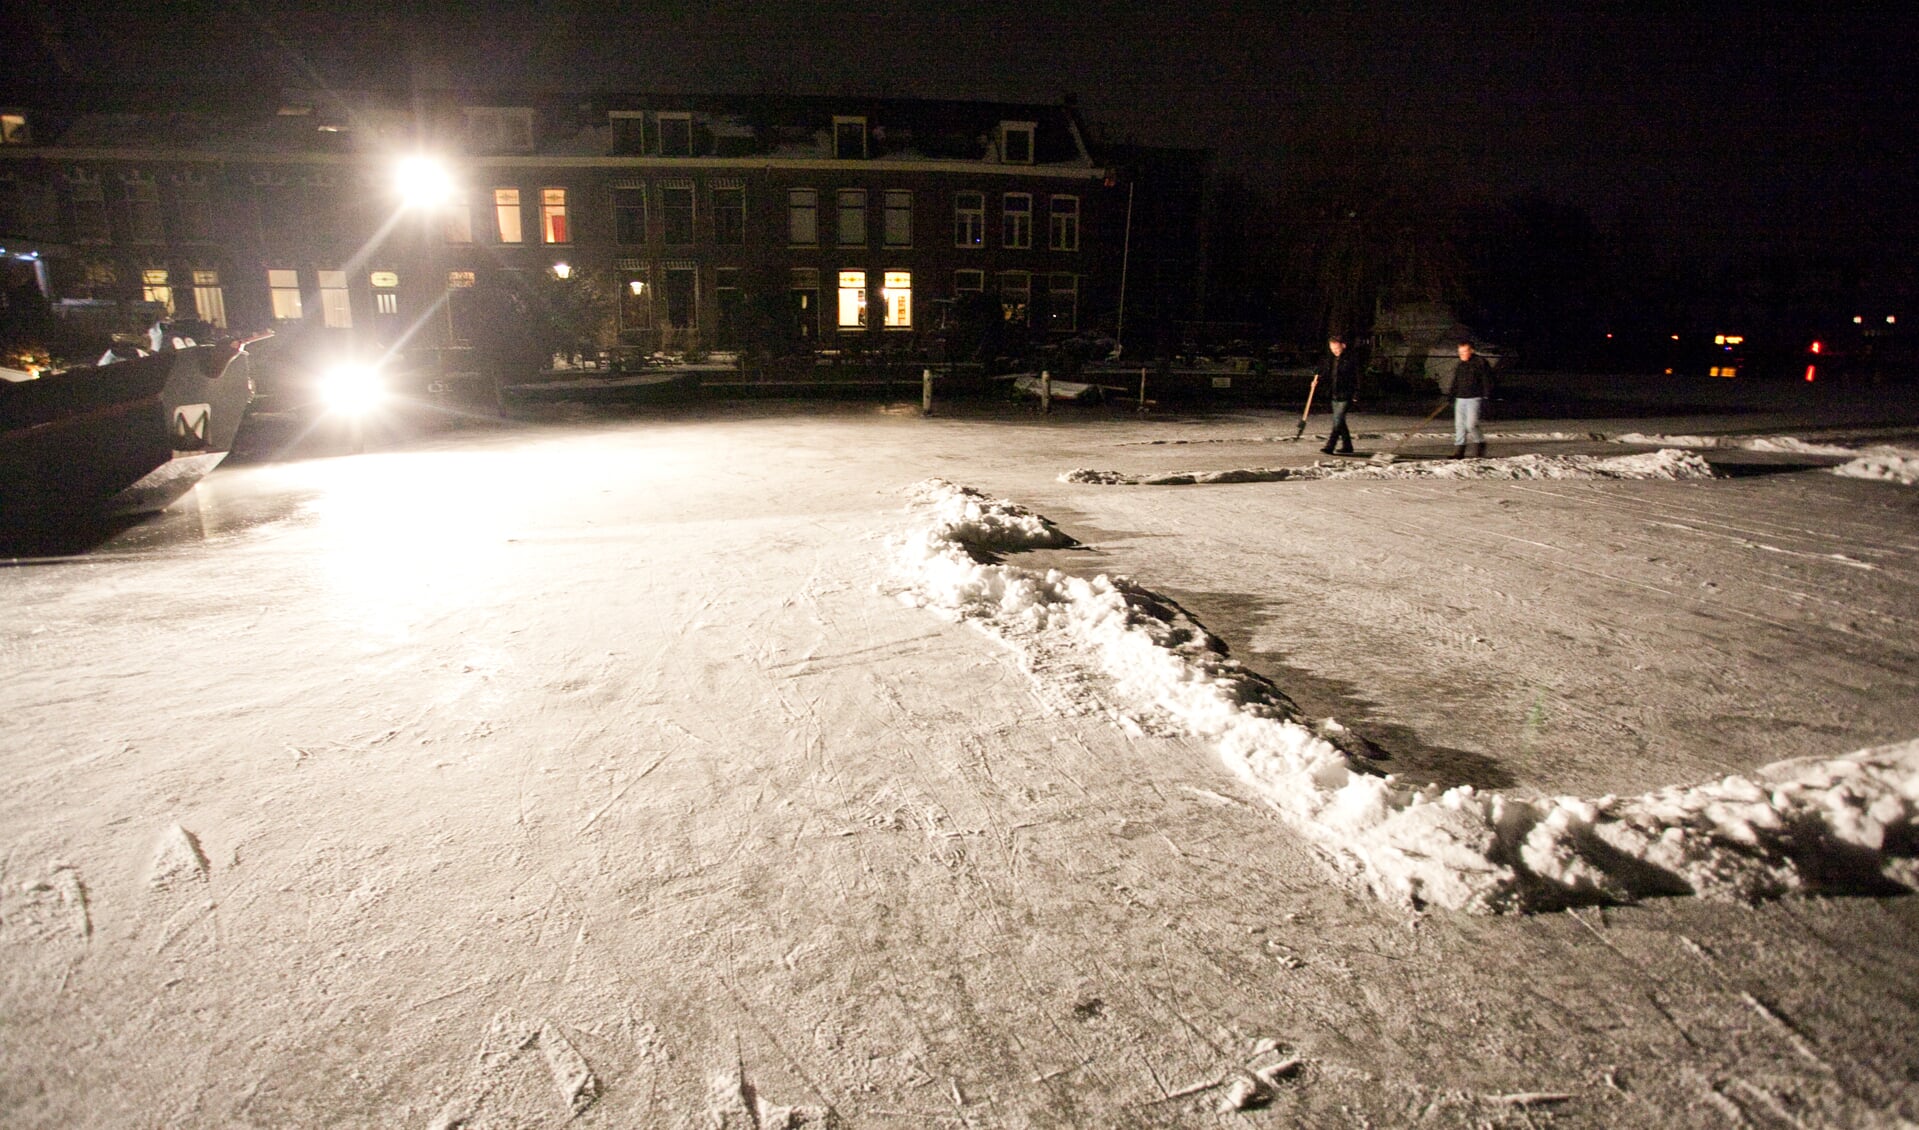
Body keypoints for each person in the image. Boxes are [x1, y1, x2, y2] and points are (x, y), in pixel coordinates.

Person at [1449, 339, 1495, 458]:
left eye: (1464, 352)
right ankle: (1459, 451)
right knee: (1459, 425)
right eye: (1460, 352)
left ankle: (1480, 443)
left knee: (1471, 424)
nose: (1461, 354)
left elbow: (1487, 380)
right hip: (1460, 398)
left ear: (1471, 351)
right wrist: (1451, 394)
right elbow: (1456, 381)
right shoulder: (1460, 365)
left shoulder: (1480, 362)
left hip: (1474, 397)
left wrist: (1486, 395)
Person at [1317, 334, 1362, 455]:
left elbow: (1358, 377)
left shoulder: (1352, 359)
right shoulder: (1332, 359)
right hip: (1334, 394)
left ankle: (1330, 446)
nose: (1334, 351)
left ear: (1343, 346)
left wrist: (1357, 393)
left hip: (1346, 394)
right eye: (1332, 349)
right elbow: (1328, 374)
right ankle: (1348, 446)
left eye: (1336, 349)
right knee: (1340, 421)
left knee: (1337, 422)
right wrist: (1318, 379)